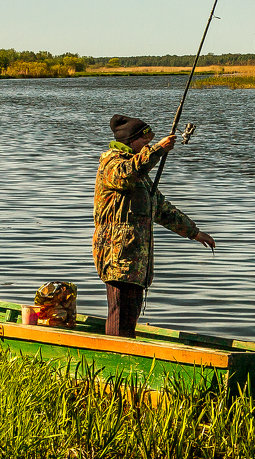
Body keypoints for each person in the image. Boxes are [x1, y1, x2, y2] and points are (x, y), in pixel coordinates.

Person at [92, 114, 215, 338]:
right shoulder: (112, 163)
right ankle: (117, 355)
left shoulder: (141, 175)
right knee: (119, 315)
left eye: (150, 142)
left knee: (130, 315)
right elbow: (127, 173)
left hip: (136, 261)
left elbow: (161, 209)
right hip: (118, 255)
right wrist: (158, 150)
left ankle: (127, 357)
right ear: (131, 140)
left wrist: (195, 232)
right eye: (144, 141)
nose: (147, 145)